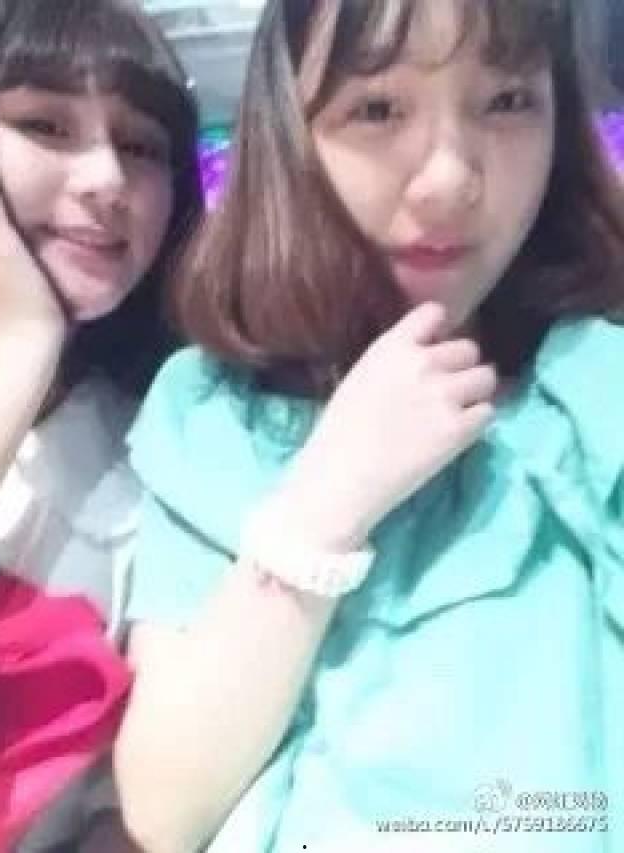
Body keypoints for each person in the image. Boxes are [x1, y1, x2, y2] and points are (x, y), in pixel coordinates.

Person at [114, 0, 624, 851]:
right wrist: (326, 501)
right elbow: (166, 809)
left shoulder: (597, 382)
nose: (449, 179)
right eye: (378, 108)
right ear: (291, 135)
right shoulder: (216, 412)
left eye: (507, 102)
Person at [0, 0, 202, 848]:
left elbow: (130, 808)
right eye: (45, 125)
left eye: (143, 146)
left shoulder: (171, 455)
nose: (108, 178)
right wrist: (18, 344)